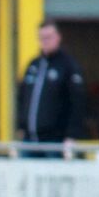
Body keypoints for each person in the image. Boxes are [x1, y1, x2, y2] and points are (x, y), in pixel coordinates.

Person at [16, 20, 86, 155]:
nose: (45, 41)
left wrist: (72, 135)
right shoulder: (33, 65)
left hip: (55, 141)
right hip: (29, 140)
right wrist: (21, 125)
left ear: (58, 37)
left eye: (49, 37)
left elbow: (78, 103)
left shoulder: (68, 66)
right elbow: (22, 97)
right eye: (41, 38)